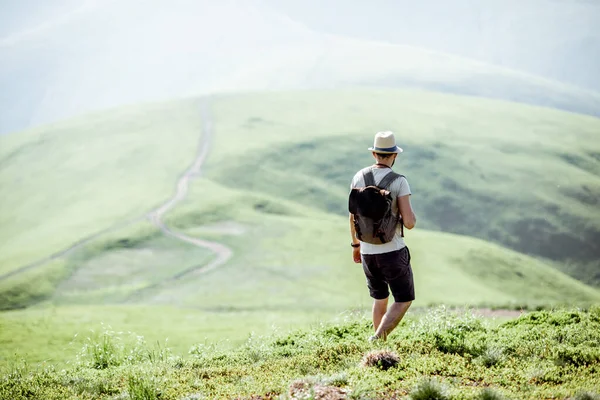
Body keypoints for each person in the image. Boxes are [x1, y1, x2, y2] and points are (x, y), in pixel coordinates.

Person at [349, 131, 417, 341]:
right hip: (393, 251)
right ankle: (378, 338)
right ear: (394, 156)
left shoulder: (359, 177)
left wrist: (356, 246)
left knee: (380, 299)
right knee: (404, 298)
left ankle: (379, 346)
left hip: (367, 252)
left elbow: (352, 217)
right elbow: (409, 222)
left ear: (374, 154)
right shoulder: (399, 181)